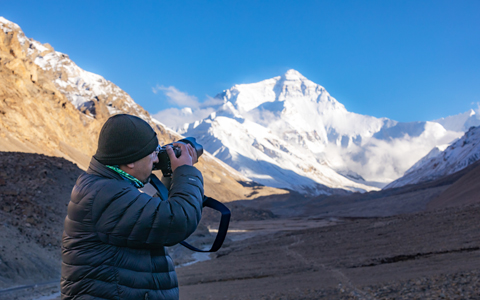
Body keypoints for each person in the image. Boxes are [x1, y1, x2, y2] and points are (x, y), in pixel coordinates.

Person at [61, 114, 204, 300]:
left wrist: (171, 175)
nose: (155, 160)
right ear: (130, 161)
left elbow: (154, 217)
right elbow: (177, 220)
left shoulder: (106, 186)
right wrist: (186, 172)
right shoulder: (107, 193)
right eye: (152, 153)